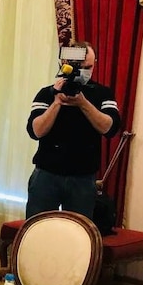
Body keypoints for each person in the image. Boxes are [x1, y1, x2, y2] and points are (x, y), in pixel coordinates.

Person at [25, 42, 121, 219]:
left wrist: (83, 103)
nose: (83, 72)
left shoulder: (102, 93)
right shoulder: (47, 93)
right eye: (79, 67)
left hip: (83, 177)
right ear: (64, 64)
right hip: (46, 174)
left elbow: (110, 128)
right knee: (37, 228)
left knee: (78, 232)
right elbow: (35, 131)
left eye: (89, 67)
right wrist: (57, 102)